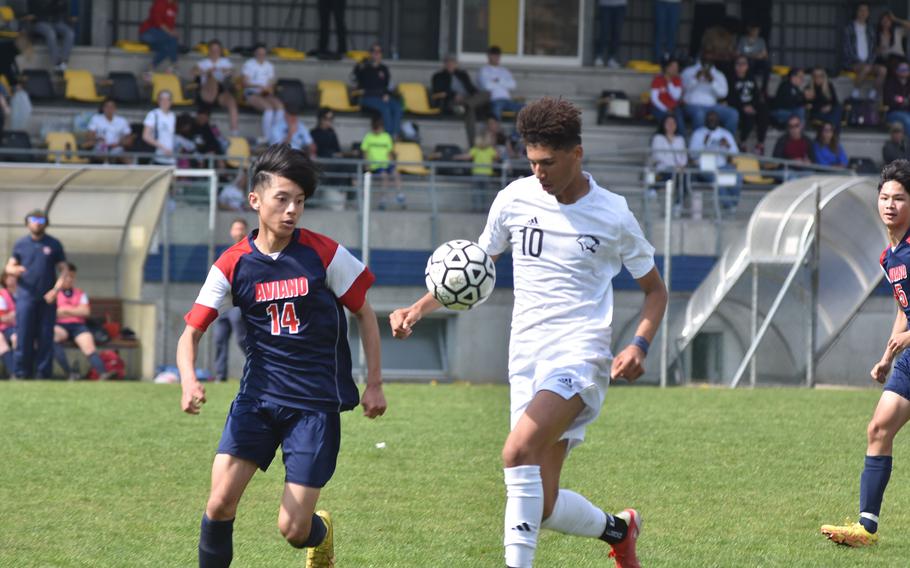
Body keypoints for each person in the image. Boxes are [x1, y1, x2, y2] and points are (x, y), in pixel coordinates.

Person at [390, 97, 667, 568]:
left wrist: (639, 343)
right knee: (542, 504)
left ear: (577, 154)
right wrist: (419, 306)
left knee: (516, 452)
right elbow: (471, 268)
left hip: (580, 357)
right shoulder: (514, 199)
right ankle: (621, 530)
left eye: (549, 162)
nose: (539, 172)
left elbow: (655, 292)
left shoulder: (614, 214)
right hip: (526, 359)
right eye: (532, 161)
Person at [178, 144, 386, 568]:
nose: (292, 210)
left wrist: (375, 384)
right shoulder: (232, 265)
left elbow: (365, 313)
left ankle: (319, 533)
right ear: (255, 201)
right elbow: (190, 333)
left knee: (293, 531)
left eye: (300, 201)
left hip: (313, 406)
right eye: (282, 199)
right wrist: (188, 378)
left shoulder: (324, 253)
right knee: (219, 504)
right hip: (258, 400)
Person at [820, 159, 910, 547]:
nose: (890, 204)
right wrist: (888, 354)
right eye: (885, 197)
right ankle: (865, 529)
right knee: (878, 429)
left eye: (900, 198)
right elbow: (902, 307)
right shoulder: (889, 256)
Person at [5, 209, 68, 379]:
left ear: (46, 223)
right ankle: (20, 373)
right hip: (25, 298)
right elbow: (8, 267)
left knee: (46, 336)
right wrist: (15, 269)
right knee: (24, 335)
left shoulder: (54, 244)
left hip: (47, 300)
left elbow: (64, 270)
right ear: (27, 223)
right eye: (33, 219)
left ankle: (43, 373)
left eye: (41, 219)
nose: (37, 222)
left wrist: (55, 291)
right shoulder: (20, 244)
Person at [51, 263, 114, 381]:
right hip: (60, 326)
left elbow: (85, 312)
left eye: (72, 276)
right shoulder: (54, 293)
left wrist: (64, 310)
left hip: (78, 326)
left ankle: (103, 373)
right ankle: (69, 373)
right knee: (51, 336)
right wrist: (74, 310)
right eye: (66, 276)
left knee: (88, 344)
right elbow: (53, 312)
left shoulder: (80, 293)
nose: (69, 279)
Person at [212, 219, 248, 382]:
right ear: (231, 232)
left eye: (241, 229)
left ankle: (260, 367)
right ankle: (220, 376)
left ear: (245, 231)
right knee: (220, 339)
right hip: (224, 305)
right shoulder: (226, 253)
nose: (238, 232)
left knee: (242, 339)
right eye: (235, 229)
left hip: (238, 304)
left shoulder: (249, 252)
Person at [431, 54, 489, 146]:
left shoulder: (462, 75)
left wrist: (476, 94)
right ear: (444, 64)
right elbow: (438, 90)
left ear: (456, 64)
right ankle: (472, 145)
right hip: (452, 102)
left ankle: (467, 104)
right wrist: (454, 95)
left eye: (452, 63)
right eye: (448, 63)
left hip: (467, 99)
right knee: (470, 111)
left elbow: (471, 88)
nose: (450, 65)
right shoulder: (438, 76)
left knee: (487, 93)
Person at [689, 110, 740, 210]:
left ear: (718, 120)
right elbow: (692, 155)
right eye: (710, 118)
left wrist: (727, 146)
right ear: (705, 120)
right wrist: (704, 144)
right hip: (704, 167)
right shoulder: (698, 134)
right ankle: (729, 206)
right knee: (717, 179)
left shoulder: (725, 134)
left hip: (723, 166)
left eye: (714, 119)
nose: (712, 120)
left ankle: (733, 204)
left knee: (738, 176)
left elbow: (736, 153)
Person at [352, 43, 403, 137]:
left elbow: (389, 86)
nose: (376, 54)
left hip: (382, 97)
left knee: (397, 107)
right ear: (370, 53)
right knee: (385, 109)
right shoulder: (364, 68)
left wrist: (387, 94)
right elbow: (356, 82)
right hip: (367, 98)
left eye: (379, 52)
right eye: (374, 51)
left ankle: (395, 135)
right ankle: (388, 137)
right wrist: (359, 65)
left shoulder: (384, 69)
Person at [194, 39, 239, 135]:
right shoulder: (203, 63)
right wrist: (206, 71)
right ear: (209, 51)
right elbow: (193, 72)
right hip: (206, 92)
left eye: (217, 50)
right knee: (212, 77)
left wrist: (225, 70)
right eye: (213, 50)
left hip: (220, 93)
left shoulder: (225, 62)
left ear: (220, 51)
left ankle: (234, 132)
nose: (215, 52)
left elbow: (233, 71)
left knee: (232, 103)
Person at [681, 57, 738, 133]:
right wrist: (695, 79)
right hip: (692, 105)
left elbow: (723, 94)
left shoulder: (718, 74)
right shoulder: (688, 71)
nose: (707, 57)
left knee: (733, 114)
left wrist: (712, 82)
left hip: (712, 106)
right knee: (699, 115)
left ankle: (726, 139)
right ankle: (699, 142)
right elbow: (681, 89)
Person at [242, 43, 283, 142]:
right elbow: (245, 83)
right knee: (268, 109)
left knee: (280, 107)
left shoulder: (269, 66)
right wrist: (258, 86)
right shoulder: (249, 64)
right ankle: (267, 137)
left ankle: (276, 135)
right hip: (252, 93)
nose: (261, 56)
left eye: (263, 54)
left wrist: (268, 88)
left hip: (265, 93)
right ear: (255, 53)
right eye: (259, 53)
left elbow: (271, 82)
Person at [728, 55, 768, 154]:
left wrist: (752, 106)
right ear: (734, 66)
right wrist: (743, 107)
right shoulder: (730, 78)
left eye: (744, 64)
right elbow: (731, 98)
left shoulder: (751, 77)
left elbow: (756, 94)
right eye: (738, 64)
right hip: (738, 106)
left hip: (751, 105)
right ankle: (742, 142)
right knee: (750, 117)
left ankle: (760, 143)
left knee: (763, 110)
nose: (741, 67)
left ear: (747, 66)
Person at [360, 116, 402, 208]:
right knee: (384, 176)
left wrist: (392, 162)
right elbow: (365, 151)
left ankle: (399, 194)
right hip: (375, 165)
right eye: (375, 128)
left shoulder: (386, 137)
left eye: (378, 128)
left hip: (386, 163)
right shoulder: (368, 137)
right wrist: (367, 164)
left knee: (396, 173)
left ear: (382, 127)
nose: (376, 130)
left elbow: (390, 152)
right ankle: (383, 199)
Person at [843, 2, 882, 101]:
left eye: (866, 11)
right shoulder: (849, 28)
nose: (863, 13)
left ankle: (872, 93)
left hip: (868, 63)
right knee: (866, 68)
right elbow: (848, 48)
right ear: (856, 12)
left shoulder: (870, 29)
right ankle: (855, 92)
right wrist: (858, 61)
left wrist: (870, 61)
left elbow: (873, 48)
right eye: (861, 10)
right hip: (853, 62)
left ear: (868, 13)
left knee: (883, 70)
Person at [651, 113, 688, 209]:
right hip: (663, 168)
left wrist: (681, 165)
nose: (671, 125)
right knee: (672, 174)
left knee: (685, 178)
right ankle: (654, 188)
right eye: (668, 123)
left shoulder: (680, 139)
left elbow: (684, 156)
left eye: (673, 123)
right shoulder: (658, 138)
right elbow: (657, 155)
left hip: (678, 170)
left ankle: (678, 204)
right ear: (663, 124)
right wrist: (673, 166)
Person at [478, 46, 524, 121]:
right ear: (489, 56)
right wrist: (504, 82)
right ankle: (496, 132)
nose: (496, 58)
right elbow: (486, 86)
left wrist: (497, 81)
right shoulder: (484, 70)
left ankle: (516, 132)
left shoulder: (504, 71)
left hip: (507, 100)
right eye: (494, 55)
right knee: (496, 109)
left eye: (498, 55)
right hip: (494, 100)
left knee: (525, 108)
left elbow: (513, 85)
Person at [28, 0, 75, 72]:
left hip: (55, 22)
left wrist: (60, 3)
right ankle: (57, 63)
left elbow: (61, 10)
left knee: (70, 33)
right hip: (39, 22)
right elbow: (33, 12)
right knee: (50, 32)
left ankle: (63, 61)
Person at [86, 98, 134, 163]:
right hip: (101, 146)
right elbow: (90, 135)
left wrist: (120, 143)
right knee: (102, 152)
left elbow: (128, 138)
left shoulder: (122, 120)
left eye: (112, 107)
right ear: (103, 108)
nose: (109, 109)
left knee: (123, 156)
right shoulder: (96, 118)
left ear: (115, 108)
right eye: (107, 106)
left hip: (116, 147)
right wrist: (97, 139)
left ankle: (134, 170)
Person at [138, 0, 178, 73]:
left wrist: (171, 32)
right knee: (172, 37)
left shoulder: (174, 7)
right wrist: (170, 32)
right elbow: (157, 21)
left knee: (166, 49)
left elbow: (170, 25)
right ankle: (174, 65)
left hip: (160, 35)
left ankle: (150, 69)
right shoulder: (160, 2)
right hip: (148, 33)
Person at [650, 57, 686, 137]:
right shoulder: (657, 79)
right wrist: (666, 109)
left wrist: (669, 82)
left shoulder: (677, 79)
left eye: (676, 67)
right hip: (658, 108)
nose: (675, 69)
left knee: (679, 121)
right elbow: (654, 99)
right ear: (666, 68)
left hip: (674, 108)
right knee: (665, 121)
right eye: (673, 67)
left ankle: (682, 144)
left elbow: (676, 97)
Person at [143, 89, 177, 165]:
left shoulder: (172, 115)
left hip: (171, 157)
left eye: (167, 99)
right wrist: (163, 148)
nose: (165, 102)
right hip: (158, 156)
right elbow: (145, 136)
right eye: (162, 99)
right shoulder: (153, 114)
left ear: (171, 102)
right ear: (158, 101)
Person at [805, 67, 843, 133]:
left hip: (829, 113)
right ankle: (833, 132)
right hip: (817, 113)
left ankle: (831, 127)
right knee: (835, 121)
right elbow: (808, 105)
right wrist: (821, 108)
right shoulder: (808, 88)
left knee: (838, 108)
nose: (818, 78)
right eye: (815, 76)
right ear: (812, 77)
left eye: (820, 75)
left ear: (824, 76)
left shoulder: (829, 86)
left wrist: (829, 107)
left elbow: (835, 102)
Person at [736, 23, 771, 95]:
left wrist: (752, 56)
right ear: (749, 30)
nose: (755, 32)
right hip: (746, 61)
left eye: (757, 30)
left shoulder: (761, 40)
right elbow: (738, 53)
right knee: (750, 62)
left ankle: (763, 89)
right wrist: (752, 56)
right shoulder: (743, 39)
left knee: (767, 64)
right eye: (753, 30)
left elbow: (765, 54)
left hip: (758, 61)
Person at [594, 0, 626, 68]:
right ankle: (600, 56)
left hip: (620, 4)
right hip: (605, 4)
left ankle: (612, 58)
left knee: (617, 32)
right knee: (604, 31)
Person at [884, 62, 910, 135]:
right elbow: (889, 99)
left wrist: (900, 99)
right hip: (894, 112)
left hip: (907, 111)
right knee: (908, 121)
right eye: (902, 69)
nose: (904, 71)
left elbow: (897, 98)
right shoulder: (890, 82)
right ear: (897, 71)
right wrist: (903, 100)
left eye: (906, 69)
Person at [0, 270, 17, 378]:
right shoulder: (1, 295)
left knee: (17, 338)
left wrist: (13, 315)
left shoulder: (22, 294)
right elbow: (3, 318)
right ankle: (14, 373)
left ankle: (22, 371)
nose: (12, 279)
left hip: (16, 328)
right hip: (4, 328)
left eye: (14, 276)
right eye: (9, 277)